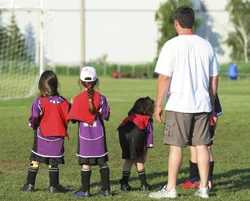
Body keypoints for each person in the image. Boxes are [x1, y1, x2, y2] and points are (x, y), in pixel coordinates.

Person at [149, 6, 219, 199]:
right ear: (193, 22)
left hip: (178, 104)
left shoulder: (171, 45)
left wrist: (158, 105)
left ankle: (171, 189)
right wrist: (211, 103)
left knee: (176, 147)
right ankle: (204, 188)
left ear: (176, 23)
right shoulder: (206, 45)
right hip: (202, 104)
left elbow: (164, 78)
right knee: (202, 146)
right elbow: (214, 78)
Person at [21, 70, 70, 193]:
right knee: (54, 161)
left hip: (41, 136)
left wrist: (32, 124)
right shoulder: (63, 101)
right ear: (56, 85)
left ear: (41, 86)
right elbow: (70, 115)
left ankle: (30, 184)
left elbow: (34, 116)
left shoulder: (39, 101)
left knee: (35, 159)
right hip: (58, 137)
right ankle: (54, 186)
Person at [67, 66, 111, 197]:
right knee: (102, 162)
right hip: (99, 134)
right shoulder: (102, 98)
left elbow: (73, 119)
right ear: (96, 81)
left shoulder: (76, 98)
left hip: (84, 135)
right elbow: (106, 116)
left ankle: (85, 190)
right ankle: (106, 189)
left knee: (86, 163)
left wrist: (72, 104)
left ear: (80, 82)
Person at [181, 94, 222, 190]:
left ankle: (202, 180)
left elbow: (216, 110)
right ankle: (198, 179)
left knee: (203, 147)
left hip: (203, 116)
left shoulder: (206, 87)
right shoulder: (209, 86)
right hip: (203, 116)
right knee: (199, 146)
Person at [118, 97, 154, 191]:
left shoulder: (130, 117)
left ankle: (124, 184)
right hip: (137, 137)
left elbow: (121, 128)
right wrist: (147, 147)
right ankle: (144, 185)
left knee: (128, 160)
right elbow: (149, 134)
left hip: (124, 137)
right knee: (139, 160)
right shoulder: (147, 119)